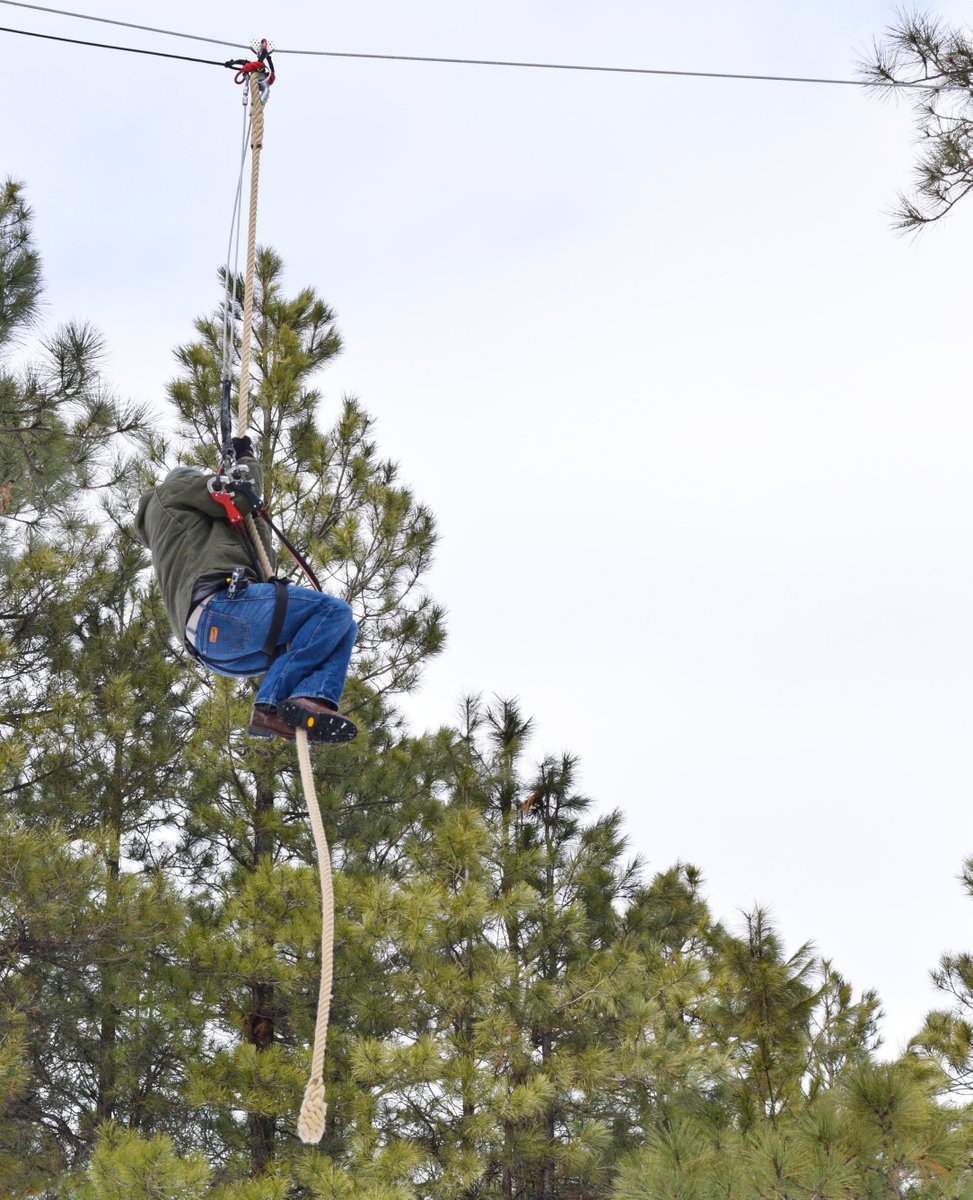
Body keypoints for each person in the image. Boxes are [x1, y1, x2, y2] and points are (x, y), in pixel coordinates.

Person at [134, 437, 358, 744]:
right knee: (333, 611)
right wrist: (245, 458)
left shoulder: (191, 535)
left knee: (343, 628)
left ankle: (310, 701)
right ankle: (269, 707)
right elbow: (240, 493)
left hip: (220, 650)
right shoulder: (170, 492)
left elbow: (254, 543)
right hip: (223, 612)